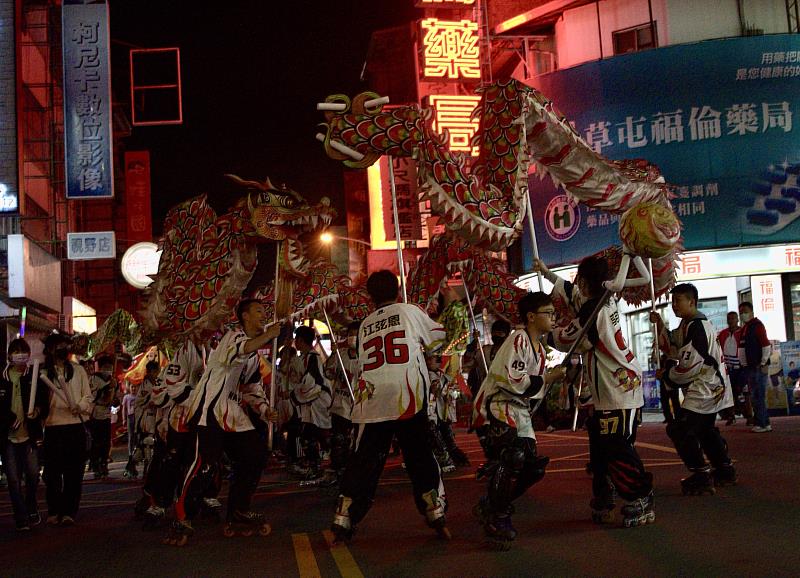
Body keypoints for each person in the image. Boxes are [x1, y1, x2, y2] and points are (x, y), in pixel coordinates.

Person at [331, 270, 448, 542]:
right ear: (398, 289)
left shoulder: (364, 324)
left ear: (369, 297)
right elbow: (438, 338)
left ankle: (344, 514)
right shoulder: (409, 311)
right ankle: (434, 509)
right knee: (419, 455)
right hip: (406, 394)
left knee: (364, 461)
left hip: (371, 399)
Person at [540, 256, 655, 528]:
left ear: (583, 280)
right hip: (607, 390)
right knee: (601, 447)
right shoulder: (603, 299)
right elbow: (572, 295)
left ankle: (640, 496)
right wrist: (546, 272)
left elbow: (567, 339)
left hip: (619, 389)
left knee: (616, 446)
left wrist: (540, 332)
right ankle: (606, 493)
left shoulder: (595, 311)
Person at [167, 299, 279, 545]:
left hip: (233, 415)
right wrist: (269, 336)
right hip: (209, 410)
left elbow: (251, 387)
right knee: (205, 465)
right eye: (259, 311)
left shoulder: (253, 355)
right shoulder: (232, 338)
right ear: (245, 316)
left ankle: (239, 509)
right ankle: (181, 516)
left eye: (265, 312)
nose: (264, 315)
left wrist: (263, 408)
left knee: (255, 455)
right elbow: (244, 348)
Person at [470, 292, 566, 548]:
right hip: (497, 408)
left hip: (519, 412)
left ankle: (493, 503)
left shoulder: (541, 352)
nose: (553, 317)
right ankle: (497, 517)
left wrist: (549, 380)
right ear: (531, 317)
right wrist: (548, 379)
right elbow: (513, 381)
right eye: (548, 313)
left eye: (553, 313)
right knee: (513, 457)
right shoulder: (518, 340)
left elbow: (533, 390)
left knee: (533, 467)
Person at [653, 284, 736, 494]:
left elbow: (690, 364)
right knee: (705, 429)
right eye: (672, 301)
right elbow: (673, 343)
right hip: (711, 384)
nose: (674, 305)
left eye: (678, 300)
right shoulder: (690, 324)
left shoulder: (697, 326)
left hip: (706, 386)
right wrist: (660, 324)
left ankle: (701, 475)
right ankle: (724, 470)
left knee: (680, 428)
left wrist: (669, 374)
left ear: (692, 301)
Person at [41, 333, 93, 526]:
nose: (62, 349)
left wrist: (79, 406)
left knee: (74, 472)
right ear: (50, 350)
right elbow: (39, 401)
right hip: (53, 427)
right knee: (52, 473)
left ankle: (70, 511)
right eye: (58, 346)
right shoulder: (43, 373)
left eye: (65, 345)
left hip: (75, 427)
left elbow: (87, 397)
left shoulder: (78, 371)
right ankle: (54, 510)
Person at [0, 338, 48, 530]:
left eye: (23, 351)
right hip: (8, 437)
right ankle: (20, 516)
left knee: (33, 474)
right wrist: (8, 418)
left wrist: (37, 411)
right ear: (10, 355)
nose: (20, 355)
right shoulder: (2, 378)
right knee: (12, 478)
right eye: (16, 351)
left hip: (29, 435)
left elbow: (44, 402)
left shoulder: (33, 377)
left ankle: (30, 505)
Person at [288, 325, 332, 479]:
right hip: (310, 403)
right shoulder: (306, 357)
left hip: (316, 403)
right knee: (311, 435)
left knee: (314, 435)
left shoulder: (312, 357)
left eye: (296, 339)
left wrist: (295, 396)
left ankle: (322, 467)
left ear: (300, 340)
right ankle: (317, 467)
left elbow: (312, 383)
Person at [323, 322, 358, 485]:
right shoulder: (340, 354)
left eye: (356, 333)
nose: (353, 337)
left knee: (355, 442)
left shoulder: (367, 356)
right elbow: (328, 373)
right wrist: (332, 354)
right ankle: (338, 470)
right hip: (339, 405)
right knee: (338, 440)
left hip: (359, 407)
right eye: (351, 333)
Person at [737, 302, 772, 433]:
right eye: (741, 312)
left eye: (745, 311)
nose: (742, 314)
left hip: (758, 367)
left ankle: (761, 423)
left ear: (751, 311)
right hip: (750, 367)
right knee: (756, 395)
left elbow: (766, 345)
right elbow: (742, 348)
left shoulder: (757, 326)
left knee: (758, 395)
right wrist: (744, 363)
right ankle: (765, 422)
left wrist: (762, 363)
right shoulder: (746, 328)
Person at [717, 311, 752, 425]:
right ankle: (731, 416)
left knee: (746, 392)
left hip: (741, 367)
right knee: (729, 393)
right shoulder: (722, 334)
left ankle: (749, 416)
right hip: (728, 368)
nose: (731, 321)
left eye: (733, 318)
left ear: (737, 319)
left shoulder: (743, 332)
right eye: (729, 318)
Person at [464, 320, 511, 399]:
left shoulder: (511, 353)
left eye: (499, 333)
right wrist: (475, 341)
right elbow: (469, 359)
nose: (496, 336)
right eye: (494, 333)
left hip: (503, 395)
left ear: (507, 335)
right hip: (484, 393)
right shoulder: (485, 350)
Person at [88, 355, 117, 479]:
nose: (108, 370)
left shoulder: (112, 380)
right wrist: (107, 388)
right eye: (106, 367)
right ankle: (96, 465)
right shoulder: (94, 379)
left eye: (110, 367)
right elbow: (95, 396)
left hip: (106, 415)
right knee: (97, 442)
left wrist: (114, 399)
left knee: (106, 442)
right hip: (95, 414)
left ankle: (104, 464)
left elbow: (114, 398)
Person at [121, 381, 138, 478]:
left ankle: (136, 453)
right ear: (129, 387)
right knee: (130, 436)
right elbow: (124, 409)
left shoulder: (139, 396)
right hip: (130, 417)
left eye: (135, 387)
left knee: (136, 436)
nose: (134, 389)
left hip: (137, 417)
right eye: (132, 387)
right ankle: (130, 452)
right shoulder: (126, 397)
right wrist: (123, 419)